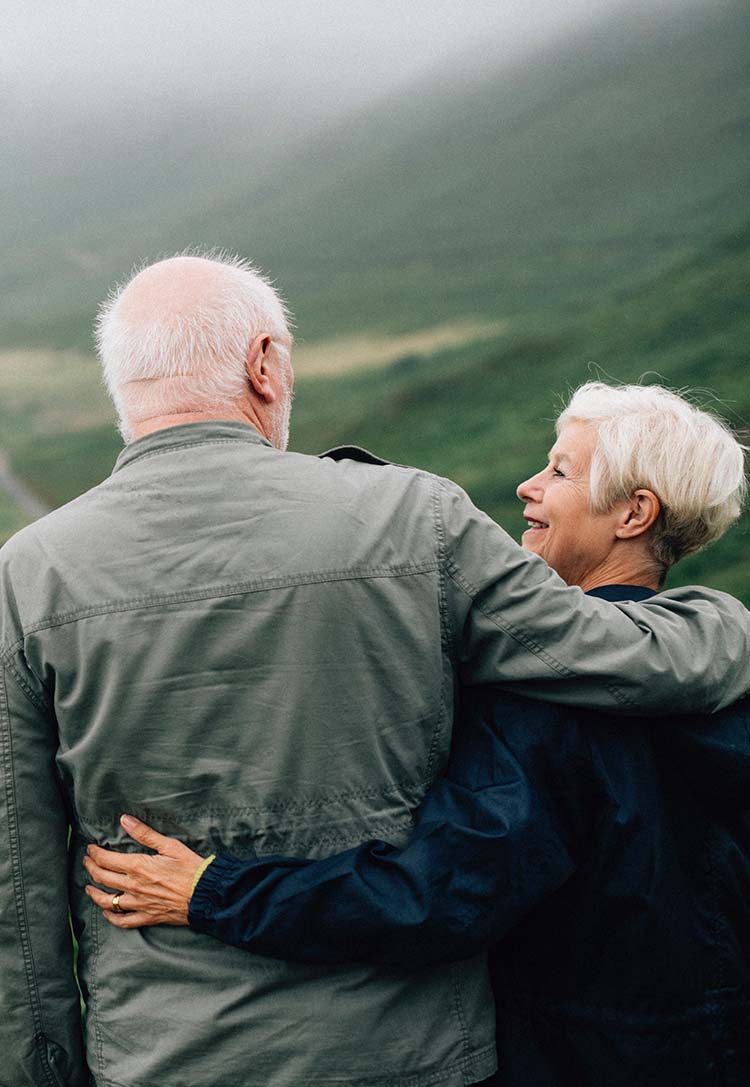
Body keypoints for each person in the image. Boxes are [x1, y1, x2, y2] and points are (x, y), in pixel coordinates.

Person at [1, 249, 749, 1087]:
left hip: (162, 1058)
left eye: (562, 470)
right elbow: (617, 654)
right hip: (421, 1056)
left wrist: (49, 1066)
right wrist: (724, 622)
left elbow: (17, 891)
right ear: (263, 364)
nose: (530, 486)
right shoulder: (418, 521)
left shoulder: (27, 574)